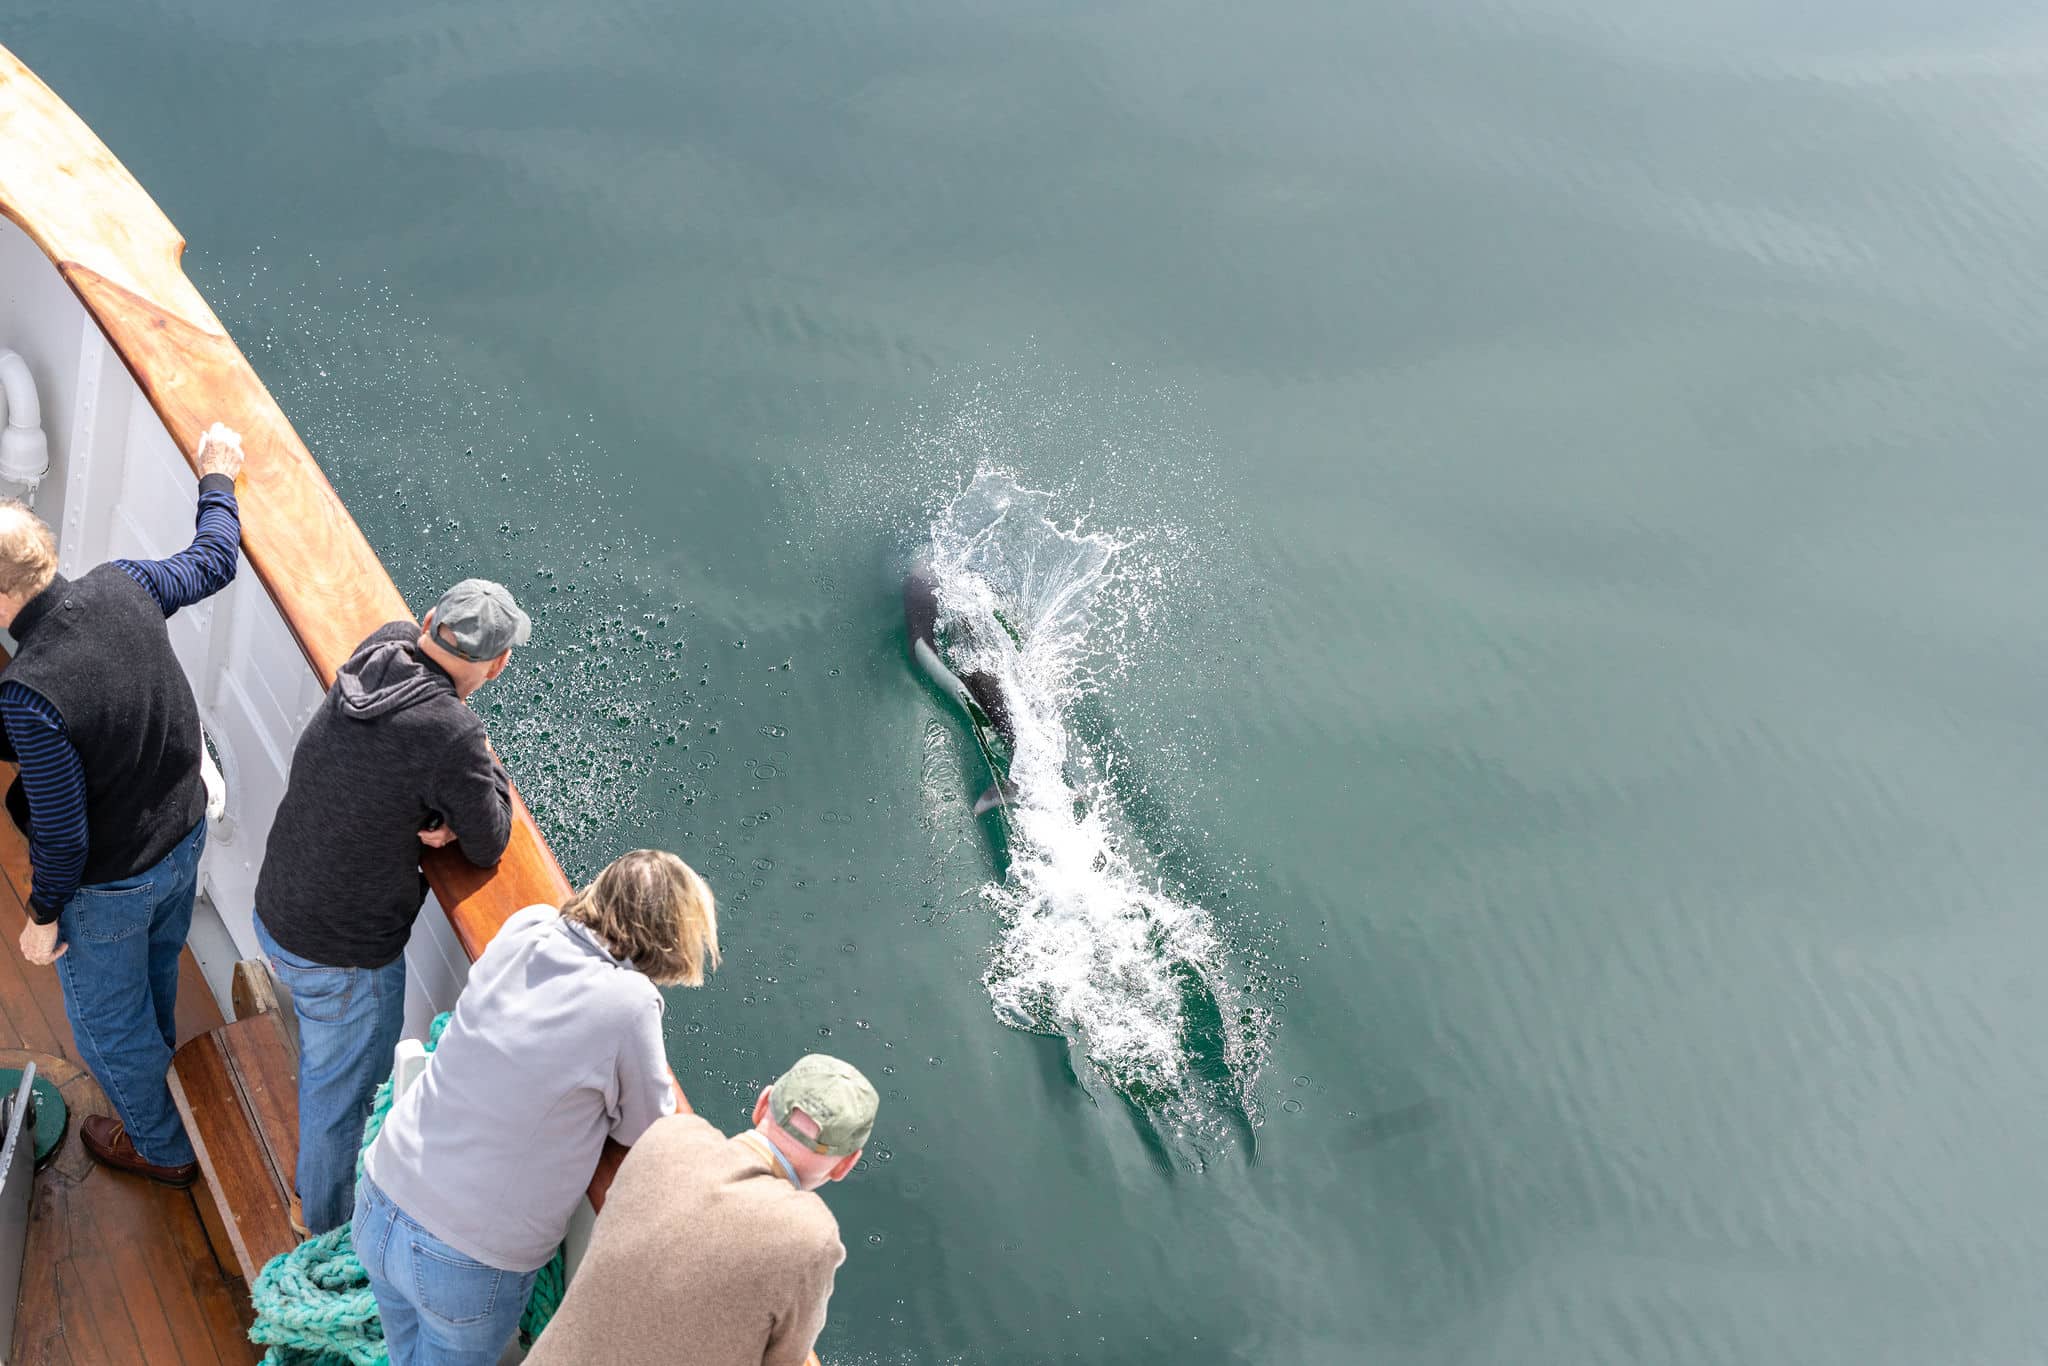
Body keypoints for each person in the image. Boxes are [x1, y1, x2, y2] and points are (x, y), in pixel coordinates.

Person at [354, 849, 719, 1366]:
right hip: (462, 1260)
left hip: (381, 1196)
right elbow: (649, 1127)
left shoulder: (529, 923)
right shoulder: (630, 1003)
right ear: (669, 936)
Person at [0, 423, 244, 1185]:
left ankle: (165, 1151)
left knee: (106, 1031)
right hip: (181, 837)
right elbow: (215, 559)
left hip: (110, 886)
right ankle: (163, 1072)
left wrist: (43, 922)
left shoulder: (30, 695)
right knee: (154, 973)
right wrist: (217, 479)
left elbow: (65, 840)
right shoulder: (123, 584)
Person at [250, 579, 527, 1234]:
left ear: (428, 621)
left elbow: (388, 765)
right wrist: (477, 788)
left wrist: (434, 802)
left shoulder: (382, 648)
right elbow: (488, 840)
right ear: (498, 664)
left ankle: (320, 1192)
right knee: (340, 1110)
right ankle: (319, 1226)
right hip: (342, 957)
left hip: (279, 905)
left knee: (331, 1073)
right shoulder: (451, 731)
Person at [524, 1053, 879, 1366]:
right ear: (844, 1165)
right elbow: (784, 1359)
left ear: (763, 1103)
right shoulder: (812, 1235)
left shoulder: (670, 1136)